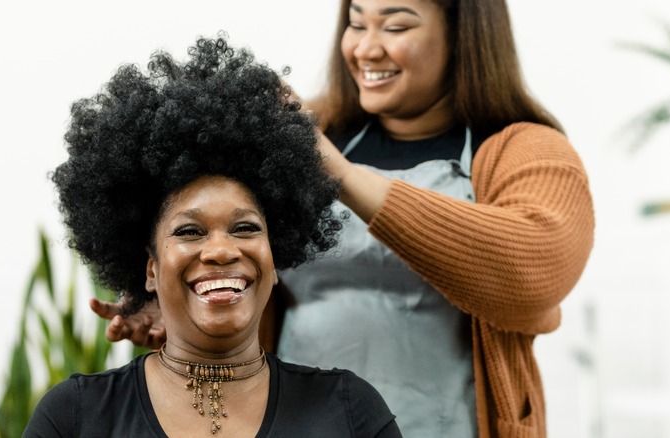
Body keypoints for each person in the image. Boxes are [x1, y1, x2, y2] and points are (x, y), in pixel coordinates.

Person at [92, 1, 595, 436]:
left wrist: (339, 172)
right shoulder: (317, 131)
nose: (366, 49)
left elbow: (532, 277)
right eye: (357, 24)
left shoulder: (522, 150)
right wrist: (181, 305)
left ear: (466, 38)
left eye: (395, 27)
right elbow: (228, 248)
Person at [23, 35, 402, 437]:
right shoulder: (75, 416)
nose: (221, 250)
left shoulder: (349, 410)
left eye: (245, 228)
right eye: (189, 231)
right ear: (151, 269)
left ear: (275, 261)